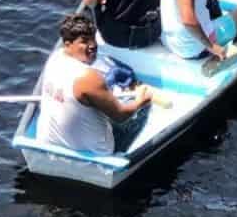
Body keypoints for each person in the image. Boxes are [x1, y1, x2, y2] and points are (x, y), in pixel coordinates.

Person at [36, 14, 152, 154]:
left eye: (93, 39)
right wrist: (141, 101)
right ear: (68, 44)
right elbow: (121, 116)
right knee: (142, 109)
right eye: (84, 41)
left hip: (49, 142)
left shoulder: (55, 57)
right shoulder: (89, 77)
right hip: (96, 150)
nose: (93, 45)